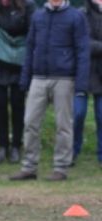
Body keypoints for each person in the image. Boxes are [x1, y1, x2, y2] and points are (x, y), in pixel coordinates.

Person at [10, 0, 89, 181]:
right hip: (38, 77)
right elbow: (30, 48)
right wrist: (25, 78)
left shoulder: (76, 17)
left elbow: (82, 51)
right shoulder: (38, 16)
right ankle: (29, 167)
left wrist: (81, 84)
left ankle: (61, 168)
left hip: (65, 79)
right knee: (30, 122)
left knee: (64, 125)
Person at [0, 0, 36, 164]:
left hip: (20, 62)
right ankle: (3, 146)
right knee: (0, 105)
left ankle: (17, 145)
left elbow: (33, 34)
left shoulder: (27, 5)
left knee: (18, 104)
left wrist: (31, 64)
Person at [73, 0, 102, 167]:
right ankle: (73, 152)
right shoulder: (81, 14)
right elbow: (84, 43)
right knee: (78, 114)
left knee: (101, 116)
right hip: (82, 73)